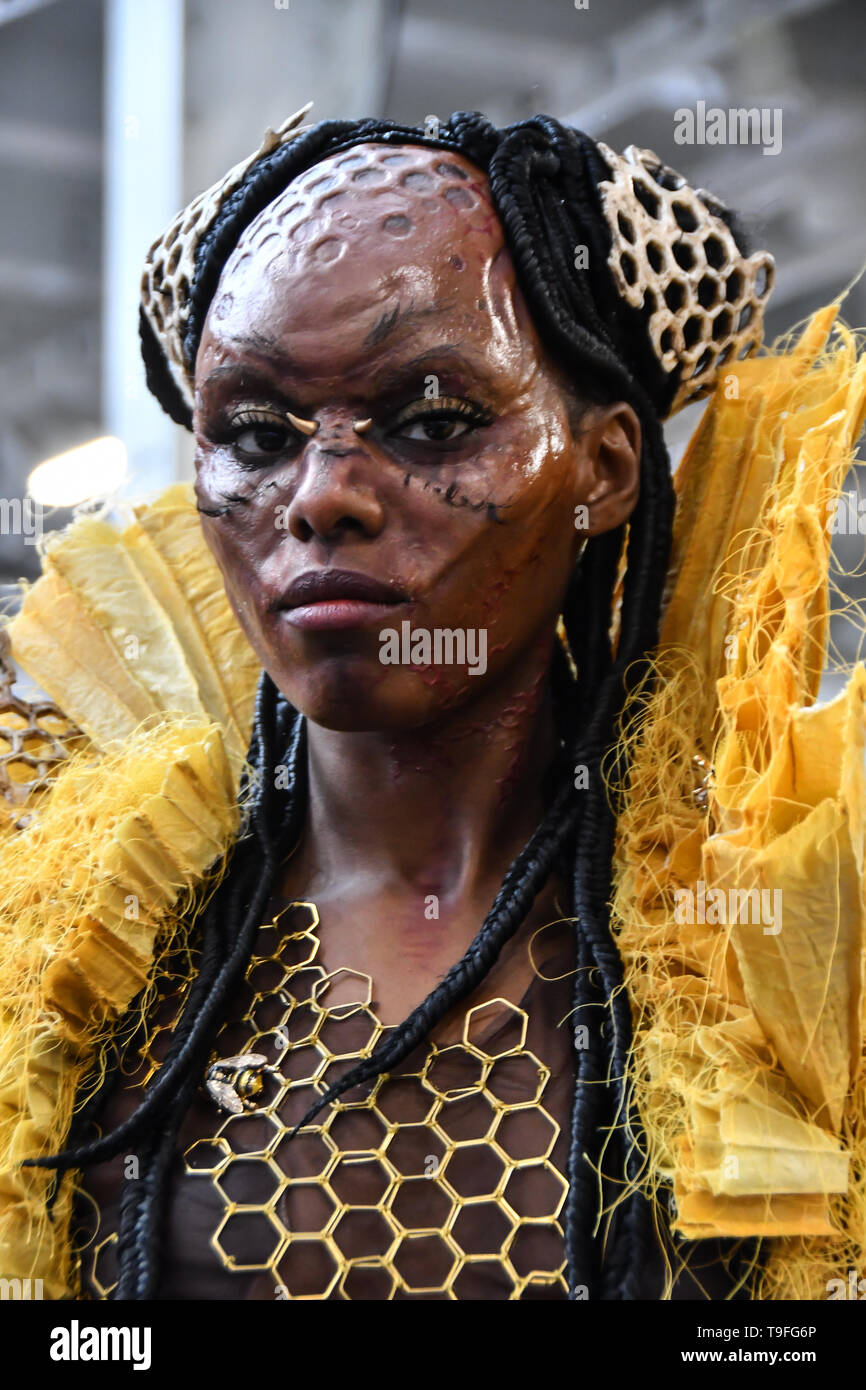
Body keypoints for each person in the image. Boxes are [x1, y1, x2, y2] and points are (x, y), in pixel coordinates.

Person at [0, 107, 862, 1302]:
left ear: (603, 469)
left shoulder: (787, 954)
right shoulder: (74, 956)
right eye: (253, 432)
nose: (323, 497)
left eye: (431, 421)